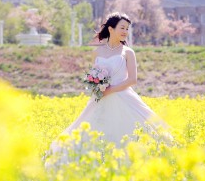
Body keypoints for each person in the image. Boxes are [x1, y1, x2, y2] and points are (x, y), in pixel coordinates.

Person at [52, 12, 171, 148]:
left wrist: (111, 90)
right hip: (101, 97)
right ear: (110, 29)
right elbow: (92, 75)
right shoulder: (97, 52)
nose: (125, 31)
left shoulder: (128, 52)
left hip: (123, 96)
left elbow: (132, 79)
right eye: (122, 28)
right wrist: (96, 87)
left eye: (127, 29)